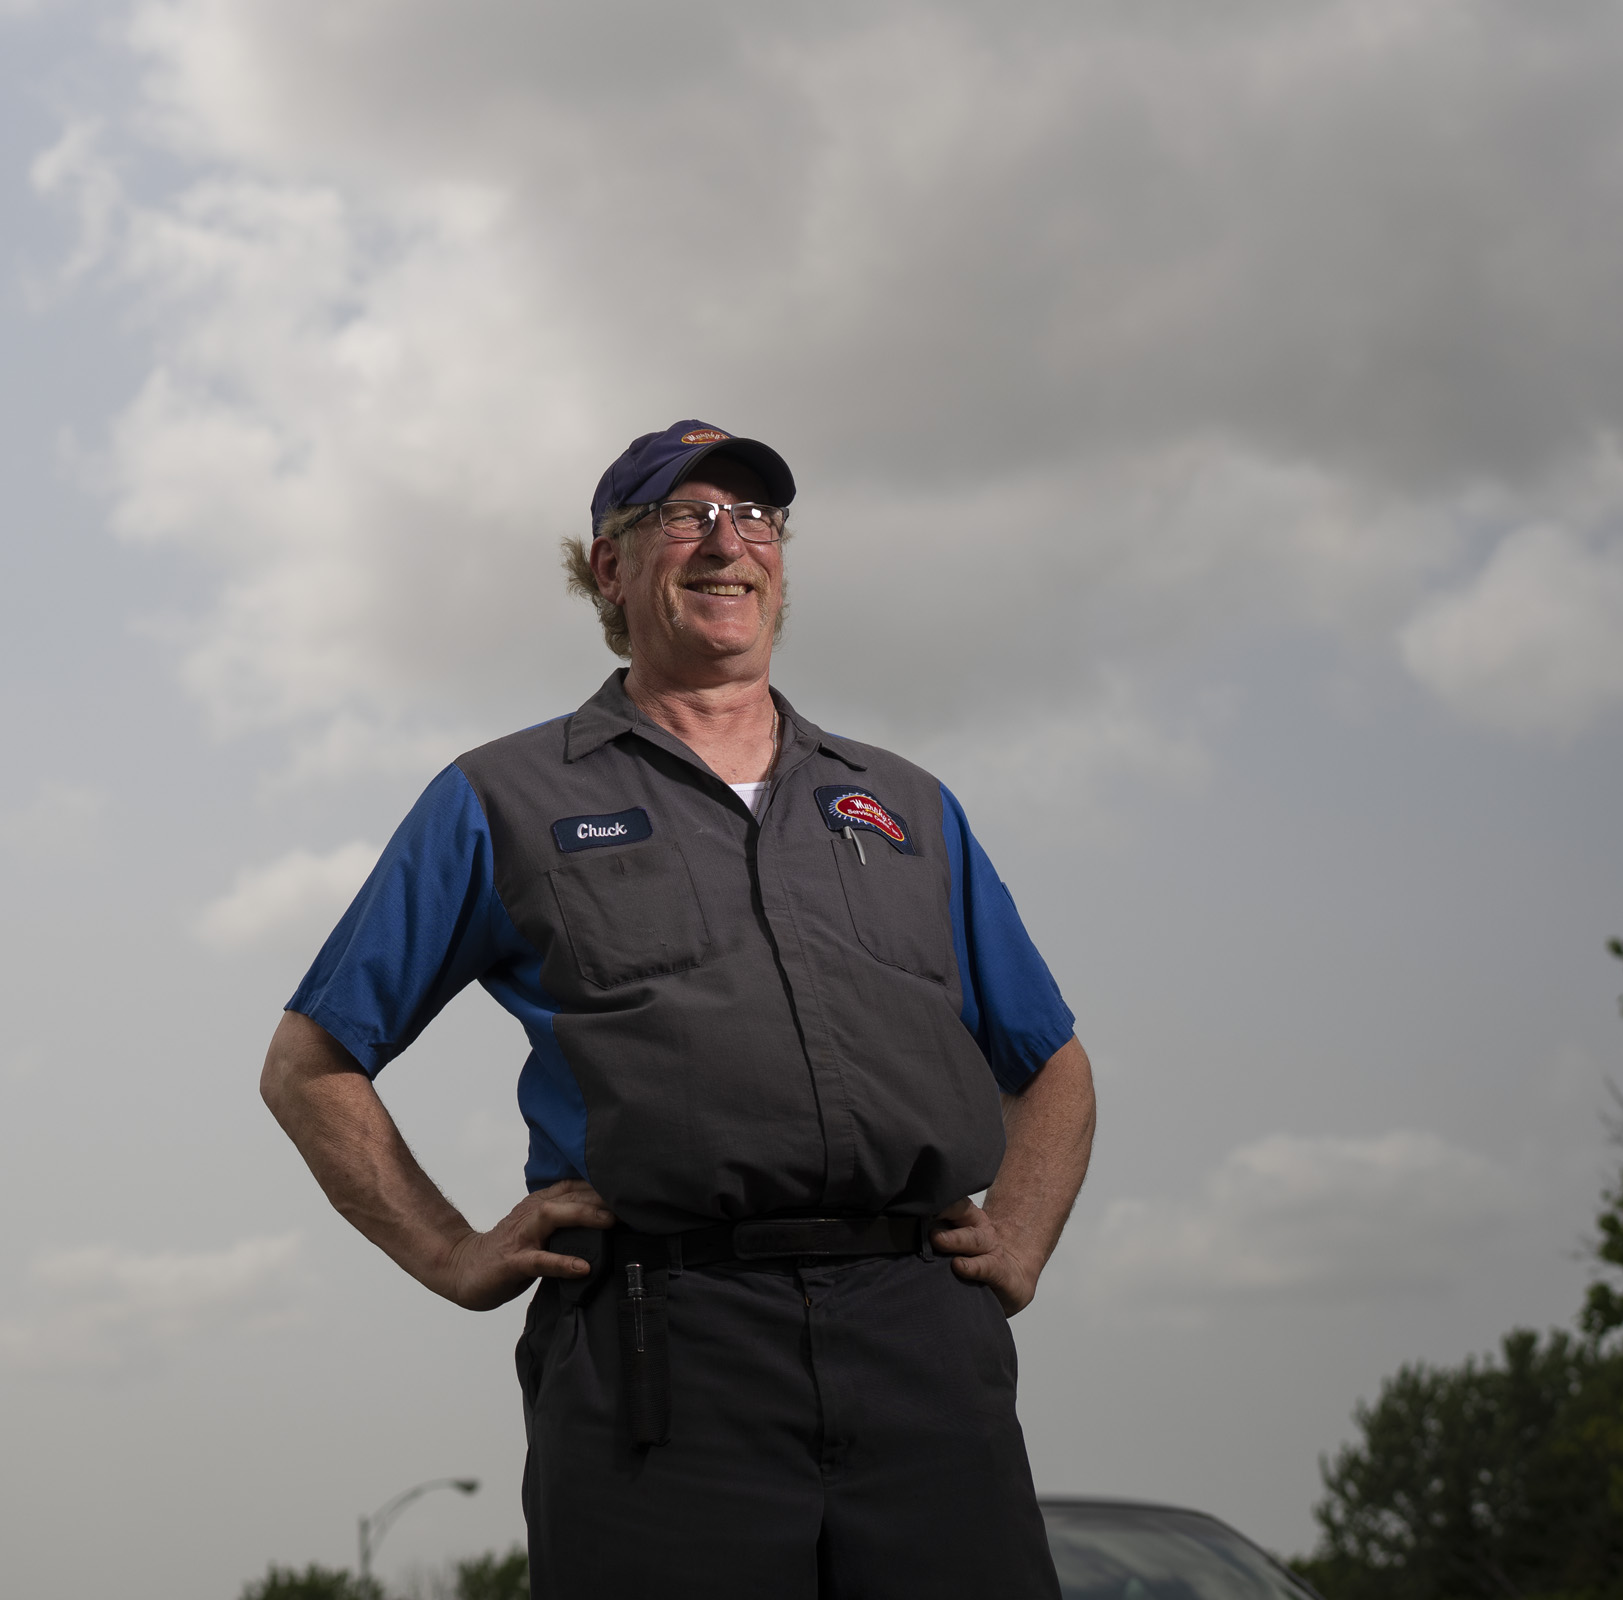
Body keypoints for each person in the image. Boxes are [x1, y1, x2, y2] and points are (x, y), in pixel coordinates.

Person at [259, 420, 1094, 1599]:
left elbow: (1053, 1062)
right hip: (661, 1347)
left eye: (755, 518)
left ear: (782, 563)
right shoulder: (502, 798)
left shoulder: (906, 805)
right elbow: (310, 1064)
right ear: (610, 566)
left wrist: (1019, 1234)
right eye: (683, 515)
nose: (725, 543)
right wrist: (451, 1252)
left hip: (924, 1345)